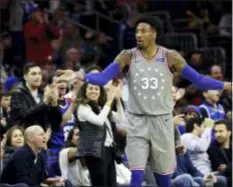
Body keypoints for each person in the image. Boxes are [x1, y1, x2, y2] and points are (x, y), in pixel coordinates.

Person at [57, 16, 232, 187]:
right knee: (136, 176)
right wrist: (79, 75)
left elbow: (199, 80)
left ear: (154, 34)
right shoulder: (127, 56)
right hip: (138, 122)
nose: (138, 35)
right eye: (137, 31)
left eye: (143, 31)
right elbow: (102, 78)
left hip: (162, 123)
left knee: (164, 179)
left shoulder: (170, 57)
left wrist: (227, 85)